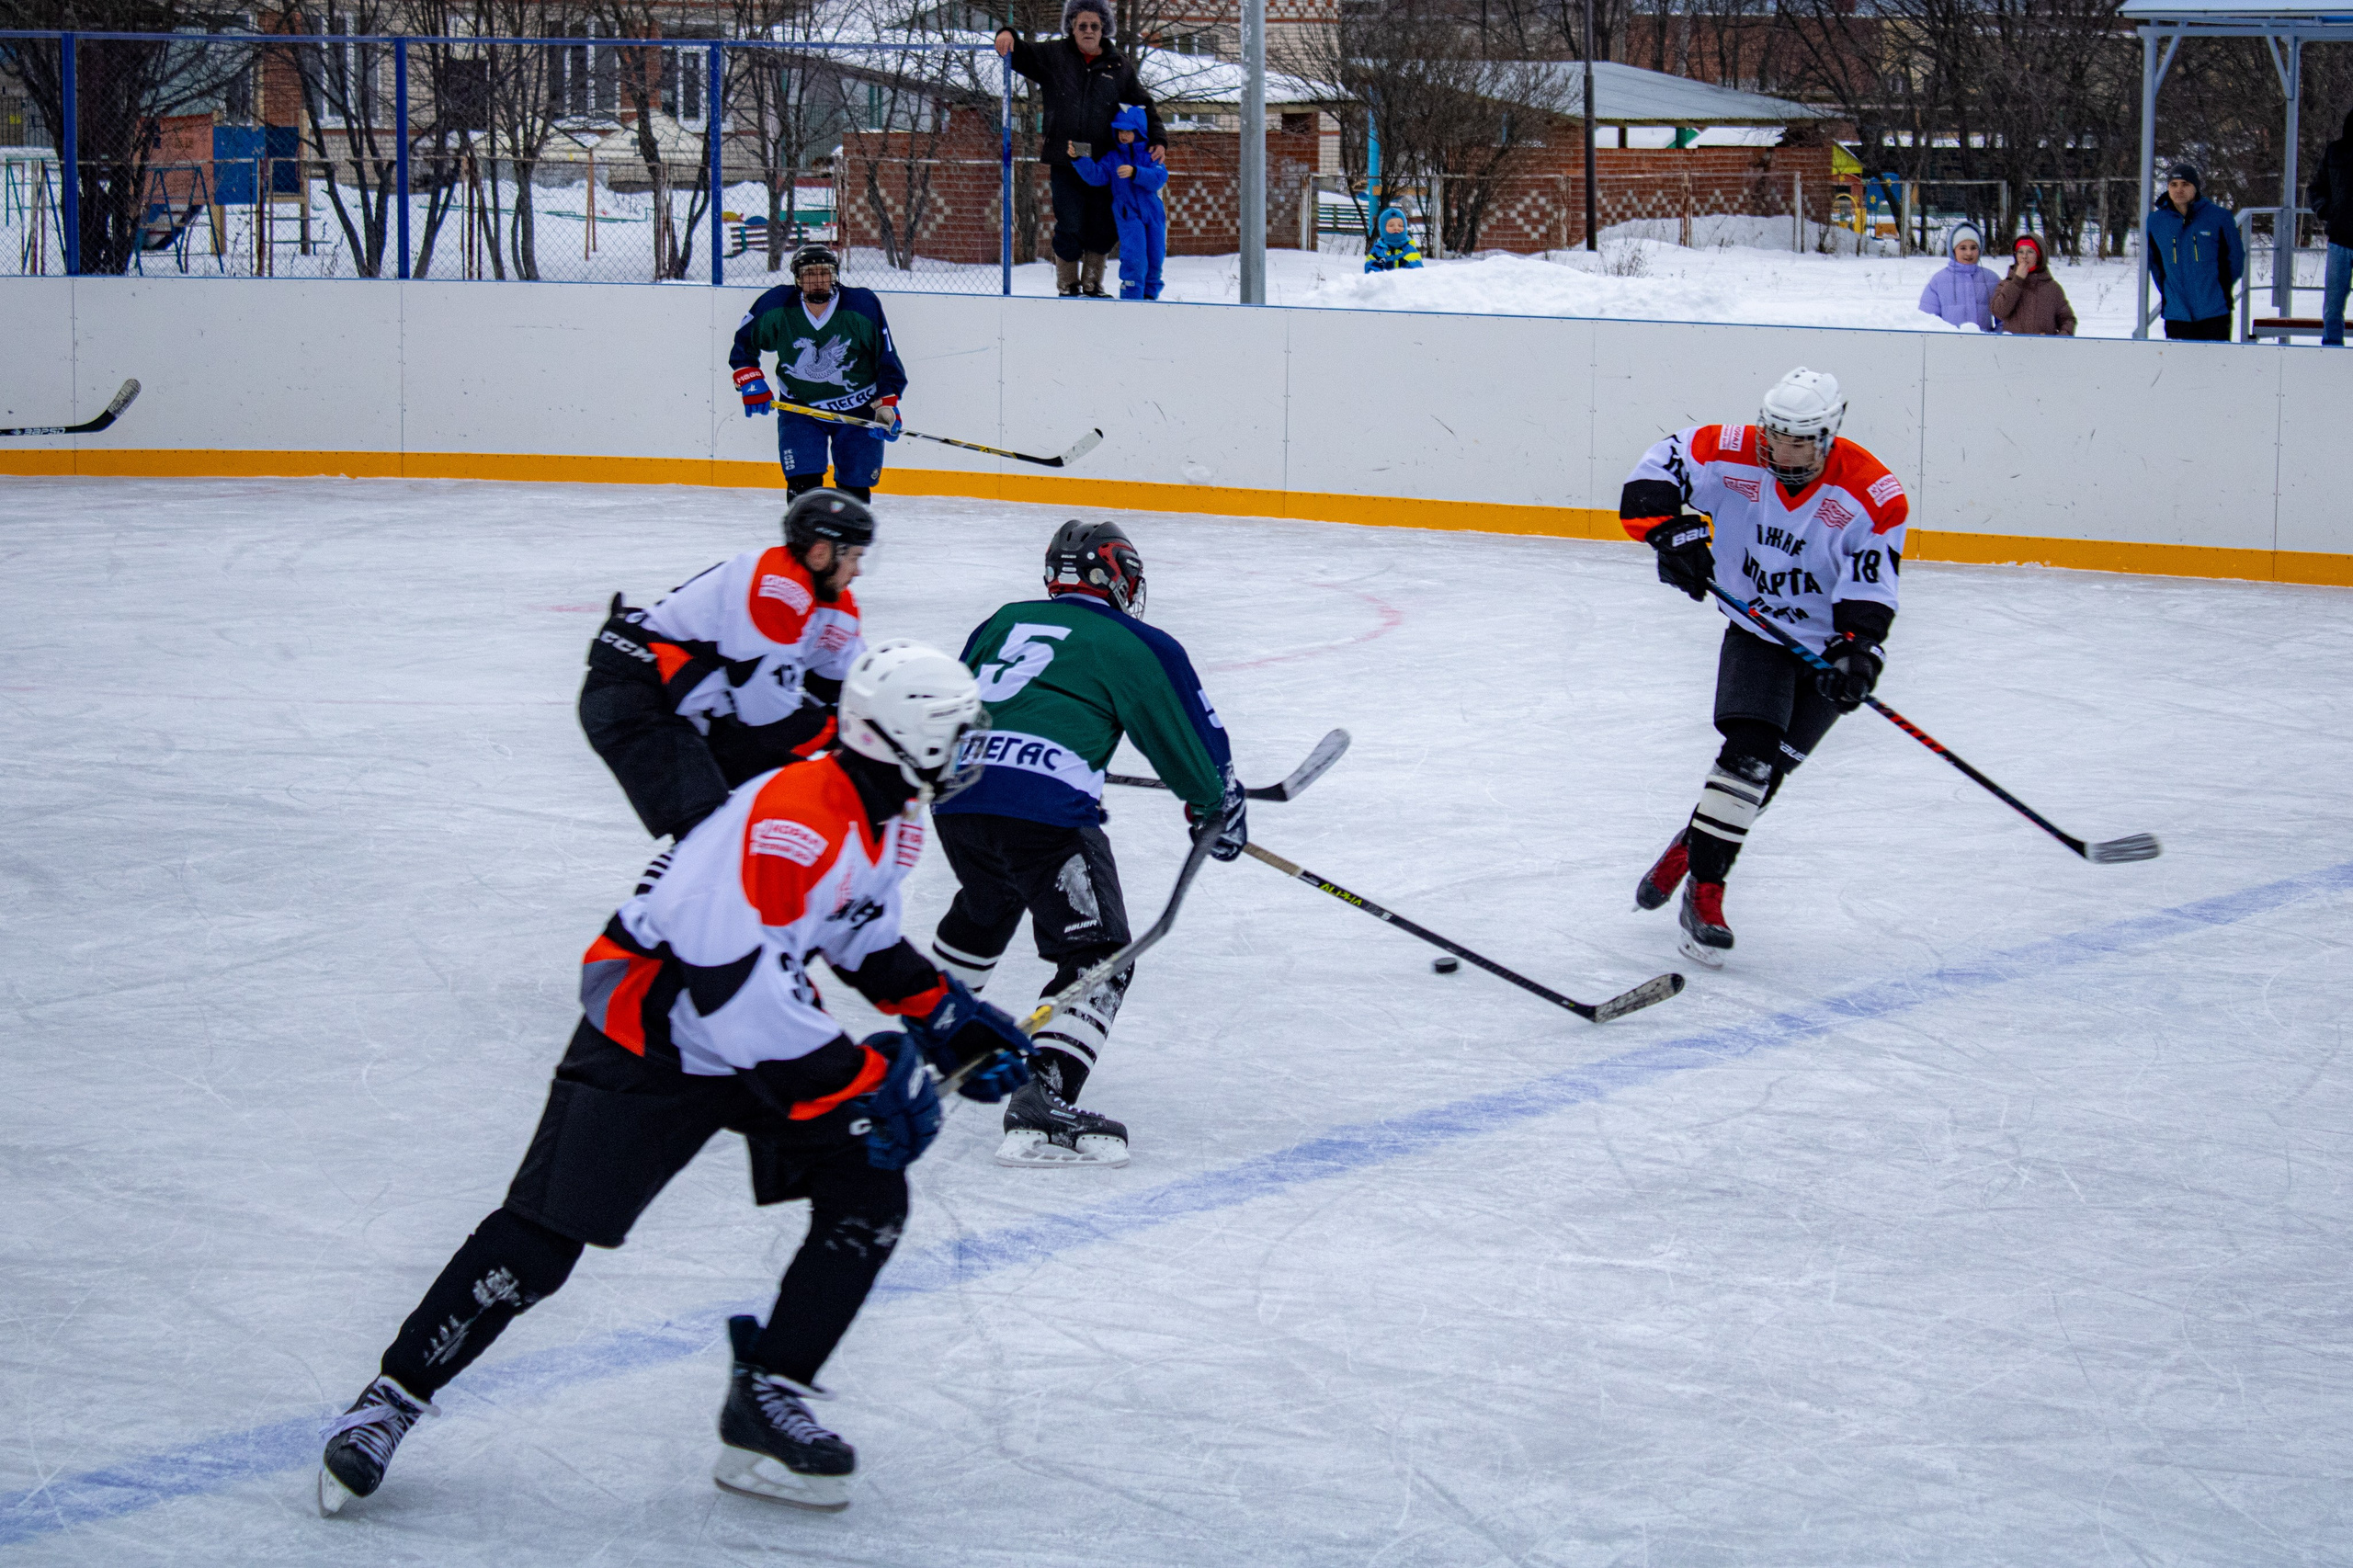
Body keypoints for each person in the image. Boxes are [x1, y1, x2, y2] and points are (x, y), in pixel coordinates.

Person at [318, 642, 1033, 1517]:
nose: (969, 750)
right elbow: (730, 984)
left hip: (754, 1026)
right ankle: (390, 1400)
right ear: (903, 738)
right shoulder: (795, 817)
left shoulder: (889, 815)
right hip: (652, 1032)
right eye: (957, 733)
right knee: (542, 1241)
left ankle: (767, 1397)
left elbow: (857, 934)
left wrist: (948, 1018)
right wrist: (857, 1079)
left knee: (869, 1189)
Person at [928, 521, 1246, 1167]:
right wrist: (1216, 805)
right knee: (1100, 953)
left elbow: (953, 705)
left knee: (990, 898)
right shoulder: (1135, 640)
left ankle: (934, 1035)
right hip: (1044, 812)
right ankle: (1042, 1095)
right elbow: (1186, 739)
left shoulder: (1002, 621)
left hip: (958, 798)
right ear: (1117, 576)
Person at [1620, 368, 1909, 967]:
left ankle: (1690, 847)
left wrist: (1858, 651)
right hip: (1756, 631)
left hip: (1824, 647)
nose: (1782, 452)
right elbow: (1654, 471)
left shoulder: (1873, 494)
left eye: (1799, 442)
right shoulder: (1731, 451)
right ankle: (1705, 895)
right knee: (1748, 754)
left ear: (1827, 436)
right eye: (1775, 437)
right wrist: (1671, 533)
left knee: (1766, 777)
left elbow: (1870, 584)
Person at [580, 489, 871, 842]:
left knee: (795, 811)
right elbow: (769, 718)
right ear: (821, 552)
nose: (858, 571)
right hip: (634, 697)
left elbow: (852, 689)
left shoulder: (836, 606)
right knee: (710, 836)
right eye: (854, 557)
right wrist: (845, 737)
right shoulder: (776, 588)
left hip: (690, 704)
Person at [995, 0, 1165, 299]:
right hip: (1066, 159)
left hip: (1104, 163)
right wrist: (1006, 33)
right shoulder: (1055, 56)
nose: (1088, 31)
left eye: (1094, 26)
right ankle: (1068, 283)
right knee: (1070, 223)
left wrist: (1159, 139)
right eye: (1082, 25)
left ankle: (1093, 283)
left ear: (1104, 29)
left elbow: (1144, 105)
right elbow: (1021, 54)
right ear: (1072, 28)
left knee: (1104, 225)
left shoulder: (1118, 66)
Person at [729, 244, 907, 501]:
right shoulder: (776, 305)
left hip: (858, 409)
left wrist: (887, 404)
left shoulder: (861, 306)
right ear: (797, 279)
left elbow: (886, 359)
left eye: (824, 273)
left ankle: (847, 529)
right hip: (800, 409)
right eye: (809, 274)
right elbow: (743, 345)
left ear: (835, 275)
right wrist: (750, 381)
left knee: (855, 492)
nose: (818, 280)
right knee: (802, 487)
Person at [1069, 103, 1169, 301]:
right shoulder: (1113, 158)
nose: (1123, 135)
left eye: (1128, 131)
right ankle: (1131, 294)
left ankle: (1150, 295)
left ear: (1139, 132)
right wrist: (1080, 159)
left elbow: (1159, 178)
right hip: (1128, 213)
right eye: (1120, 131)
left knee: (1156, 255)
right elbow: (1096, 176)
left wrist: (1136, 172)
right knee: (1134, 255)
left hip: (1153, 213)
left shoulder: (1150, 154)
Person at [2146, 163, 2244, 342]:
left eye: (2185, 184)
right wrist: (2170, 291)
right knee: (2180, 360)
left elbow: (2235, 258)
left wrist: (2219, 287)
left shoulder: (2219, 217)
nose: (2179, 190)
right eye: (2173, 185)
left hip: (2214, 311)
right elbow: (2155, 263)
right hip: (2177, 313)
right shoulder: (2156, 221)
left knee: (2216, 359)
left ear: (2196, 187)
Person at [2308, 110, 2353, 347]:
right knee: (2333, 304)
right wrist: (2325, 210)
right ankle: (2332, 350)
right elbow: (2316, 188)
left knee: (2333, 303)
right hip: (2339, 239)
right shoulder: (2334, 152)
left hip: (2339, 238)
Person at [1917, 222, 2001, 331]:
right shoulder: (1939, 281)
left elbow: (2005, 319)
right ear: (1953, 250)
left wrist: (1995, 338)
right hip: (1949, 341)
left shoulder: (1991, 279)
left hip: (1984, 341)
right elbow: (1927, 319)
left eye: (1973, 248)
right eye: (1963, 248)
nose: (1969, 253)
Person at [1990, 234, 2077, 336]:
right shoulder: (2006, 284)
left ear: (2040, 256)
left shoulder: (2052, 288)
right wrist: (2017, 281)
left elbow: (2068, 320)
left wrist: (2058, 340)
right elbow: (1999, 312)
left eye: (2030, 252)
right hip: (2013, 345)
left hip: (2043, 345)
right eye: (2020, 251)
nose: (2024, 256)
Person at [1364, 206, 1423, 273]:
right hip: (1384, 279)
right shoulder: (1378, 250)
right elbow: (1371, 267)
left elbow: (1416, 269)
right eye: (1391, 225)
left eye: (1400, 225)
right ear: (1383, 229)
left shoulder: (1409, 249)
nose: (1396, 228)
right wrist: (1380, 276)